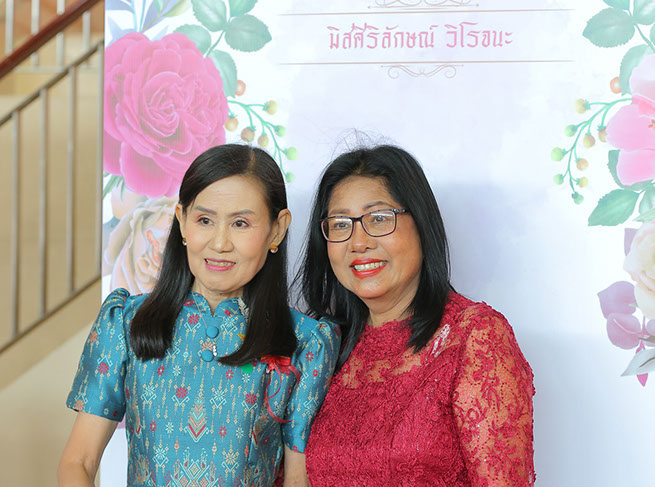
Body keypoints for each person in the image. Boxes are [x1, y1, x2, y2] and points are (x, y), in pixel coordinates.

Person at [58, 144, 340, 487]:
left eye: (240, 223)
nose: (219, 243)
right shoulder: (126, 323)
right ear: (182, 221)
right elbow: (79, 461)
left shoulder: (305, 343)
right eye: (204, 220)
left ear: (277, 229)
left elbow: (297, 481)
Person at [298, 145, 535, 486]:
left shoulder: (474, 336)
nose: (358, 242)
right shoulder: (322, 347)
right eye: (340, 224)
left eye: (379, 218)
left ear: (421, 224)